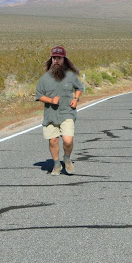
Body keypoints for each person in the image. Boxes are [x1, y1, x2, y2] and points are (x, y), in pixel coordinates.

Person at [36, 45, 84, 175]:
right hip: (51, 115)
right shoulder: (44, 78)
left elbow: (79, 88)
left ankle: (67, 159)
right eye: (54, 58)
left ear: (64, 59)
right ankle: (56, 164)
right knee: (53, 141)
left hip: (67, 112)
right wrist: (51, 101)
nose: (57, 60)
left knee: (68, 140)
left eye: (59, 58)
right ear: (51, 59)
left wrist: (76, 98)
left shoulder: (71, 76)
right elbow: (39, 95)